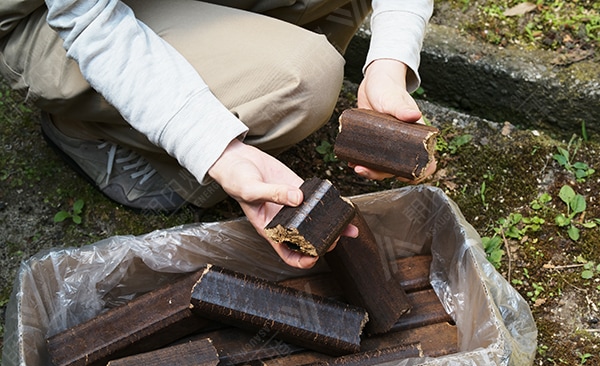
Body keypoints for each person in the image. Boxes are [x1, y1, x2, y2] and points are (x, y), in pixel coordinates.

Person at [0, 0, 434, 269]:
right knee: (303, 83)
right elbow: (87, 19)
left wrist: (388, 64)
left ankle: (241, 68)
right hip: (53, 21)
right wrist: (217, 149)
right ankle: (85, 125)